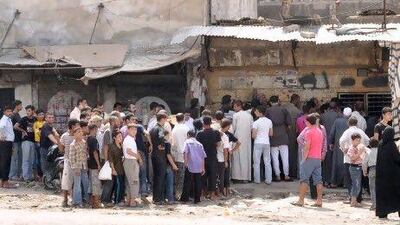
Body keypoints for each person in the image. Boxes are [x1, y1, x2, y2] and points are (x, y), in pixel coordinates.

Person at [292, 114, 324, 207]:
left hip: (309, 158)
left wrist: (304, 159)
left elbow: (307, 146)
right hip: (317, 158)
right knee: (318, 181)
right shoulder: (319, 131)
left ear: (308, 122)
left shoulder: (308, 132)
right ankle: (319, 200)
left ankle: (301, 200)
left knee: (304, 180)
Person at [339, 116, 369, 204]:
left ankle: (352, 197)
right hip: (360, 160)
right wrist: (362, 147)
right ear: (357, 123)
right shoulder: (361, 131)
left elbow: (341, 141)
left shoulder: (346, 132)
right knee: (358, 180)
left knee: (349, 180)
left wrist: (345, 150)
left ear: (348, 123)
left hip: (349, 159)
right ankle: (358, 198)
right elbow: (367, 141)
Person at [375, 127, 400, 219]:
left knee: (383, 195)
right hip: (392, 176)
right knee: (396, 194)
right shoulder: (391, 145)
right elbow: (397, 158)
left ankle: (382, 213)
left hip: (381, 176)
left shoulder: (381, 144)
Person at [266, 96, 291, 181]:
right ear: (278, 101)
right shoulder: (284, 109)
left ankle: (278, 176)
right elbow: (289, 124)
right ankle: (286, 175)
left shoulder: (268, 110)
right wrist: (285, 131)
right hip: (283, 135)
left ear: (270, 102)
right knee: (285, 157)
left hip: (273, 136)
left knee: (275, 158)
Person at [196, 116, 221, 200]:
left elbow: (197, 146)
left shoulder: (199, 133)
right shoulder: (216, 132)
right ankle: (212, 194)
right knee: (213, 175)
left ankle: (204, 193)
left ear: (203, 123)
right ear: (211, 123)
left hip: (202, 157)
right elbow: (218, 144)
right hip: (213, 156)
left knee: (203, 175)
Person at [180, 130, 206, 204]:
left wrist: (185, 163)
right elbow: (203, 156)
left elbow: (185, 152)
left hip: (190, 165)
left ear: (188, 135)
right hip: (198, 166)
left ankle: (185, 198)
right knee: (198, 182)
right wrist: (203, 168)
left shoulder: (187, 142)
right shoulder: (200, 144)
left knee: (187, 182)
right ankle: (197, 199)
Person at [59, 119, 80, 207]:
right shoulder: (64, 136)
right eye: (77, 125)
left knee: (77, 182)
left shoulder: (78, 135)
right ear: (72, 127)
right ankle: (65, 199)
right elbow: (61, 149)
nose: (79, 127)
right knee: (66, 181)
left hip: (78, 161)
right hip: (68, 161)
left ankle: (75, 199)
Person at [328, 107, 351, 187]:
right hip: (348, 146)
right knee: (346, 164)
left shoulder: (337, 121)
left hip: (338, 146)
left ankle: (334, 182)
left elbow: (332, 133)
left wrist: (330, 143)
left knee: (336, 164)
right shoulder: (351, 122)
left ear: (343, 113)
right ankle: (345, 183)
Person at [150, 113, 169, 205]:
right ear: (162, 119)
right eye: (165, 119)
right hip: (160, 155)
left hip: (153, 155)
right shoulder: (160, 128)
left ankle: (155, 197)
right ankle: (159, 198)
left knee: (156, 177)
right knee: (161, 177)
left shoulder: (153, 128)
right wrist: (163, 146)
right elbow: (162, 140)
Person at [231, 100, 253, 182]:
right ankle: (246, 177)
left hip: (237, 138)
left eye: (234, 106)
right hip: (247, 139)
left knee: (237, 158)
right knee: (246, 157)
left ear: (237, 106)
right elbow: (252, 128)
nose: (234, 108)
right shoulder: (249, 115)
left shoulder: (235, 115)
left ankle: (237, 177)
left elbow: (233, 128)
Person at [101, 116, 121, 204]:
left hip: (112, 158)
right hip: (107, 159)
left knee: (112, 181)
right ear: (113, 122)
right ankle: (105, 200)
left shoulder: (113, 131)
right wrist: (106, 161)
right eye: (117, 121)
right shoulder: (108, 132)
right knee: (108, 181)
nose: (119, 122)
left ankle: (109, 199)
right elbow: (106, 147)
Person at [320, 101, 341, 187]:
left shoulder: (322, 116)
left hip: (325, 141)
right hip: (335, 142)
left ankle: (325, 181)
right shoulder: (338, 116)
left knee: (326, 163)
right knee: (334, 162)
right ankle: (333, 181)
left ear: (328, 108)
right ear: (336, 108)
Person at [14, 105, 36, 182]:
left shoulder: (35, 119)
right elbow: (15, 126)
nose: (27, 112)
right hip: (26, 141)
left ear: (33, 111)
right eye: (27, 111)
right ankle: (25, 177)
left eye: (29, 110)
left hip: (33, 141)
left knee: (31, 160)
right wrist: (23, 131)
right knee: (26, 159)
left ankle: (29, 176)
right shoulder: (23, 119)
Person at [252, 105, 273, 184]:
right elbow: (271, 134)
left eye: (256, 111)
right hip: (266, 143)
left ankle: (257, 180)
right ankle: (268, 180)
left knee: (256, 162)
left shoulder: (256, 122)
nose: (255, 112)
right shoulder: (269, 121)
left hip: (258, 143)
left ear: (259, 112)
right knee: (267, 162)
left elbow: (253, 135)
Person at [171, 113, 190, 200]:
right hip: (184, 156)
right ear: (183, 119)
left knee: (176, 177)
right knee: (182, 177)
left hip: (175, 155)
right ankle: (180, 195)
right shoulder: (186, 128)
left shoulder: (174, 129)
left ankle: (175, 194)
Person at [69, 127, 89, 207]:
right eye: (78, 132)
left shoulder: (84, 142)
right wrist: (75, 168)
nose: (81, 133)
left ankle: (86, 200)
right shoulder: (73, 144)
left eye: (81, 131)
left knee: (86, 183)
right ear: (74, 134)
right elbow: (71, 158)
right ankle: (77, 202)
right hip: (77, 168)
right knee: (77, 185)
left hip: (84, 166)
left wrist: (86, 166)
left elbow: (85, 155)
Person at [123, 124, 142, 207]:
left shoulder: (131, 139)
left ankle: (129, 200)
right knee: (134, 182)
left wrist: (139, 158)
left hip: (131, 161)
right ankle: (132, 201)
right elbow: (128, 151)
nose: (134, 131)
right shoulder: (128, 139)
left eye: (135, 129)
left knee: (130, 182)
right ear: (128, 130)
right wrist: (137, 157)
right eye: (132, 129)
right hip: (130, 161)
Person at [346, 133, 366, 207]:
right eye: (357, 140)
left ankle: (355, 200)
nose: (358, 142)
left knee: (358, 185)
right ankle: (353, 201)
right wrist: (360, 152)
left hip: (359, 167)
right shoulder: (351, 148)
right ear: (352, 140)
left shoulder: (358, 147)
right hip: (354, 168)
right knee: (355, 185)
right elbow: (353, 158)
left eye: (359, 140)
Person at [285, 94, 302, 179]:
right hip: (293, 134)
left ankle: (284, 173)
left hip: (284, 134)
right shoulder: (297, 111)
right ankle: (292, 172)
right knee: (293, 154)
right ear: (295, 100)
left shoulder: (284, 107)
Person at [40, 113, 60, 184]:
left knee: (51, 165)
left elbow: (56, 134)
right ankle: (46, 183)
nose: (51, 119)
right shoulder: (45, 126)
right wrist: (58, 143)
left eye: (52, 117)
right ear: (45, 119)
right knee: (46, 166)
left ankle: (49, 182)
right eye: (49, 117)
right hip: (45, 149)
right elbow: (50, 136)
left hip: (51, 149)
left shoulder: (51, 126)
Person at [0, 105, 16, 188]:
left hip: (8, 143)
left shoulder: (8, 120)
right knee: (5, 162)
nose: (10, 113)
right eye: (8, 111)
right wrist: (1, 134)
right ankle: (4, 182)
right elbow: (1, 127)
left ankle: (3, 181)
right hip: (5, 143)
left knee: (6, 162)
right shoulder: (4, 119)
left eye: (10, 111)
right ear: (4, 112)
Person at [87, 124, 102, 208]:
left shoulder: (88, 139)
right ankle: (96, 203)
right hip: (94, 164)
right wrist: (98, 164)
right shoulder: (93, 139)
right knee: (96, 183)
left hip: (90, 163)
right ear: (94, 129)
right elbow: (95, 152)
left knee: (92, 183)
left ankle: (92, 202)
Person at [108, 131, 125, 206]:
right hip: (116, 169)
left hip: (123, 169)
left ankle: (121, 199)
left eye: (121, 136)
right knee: (117, 185)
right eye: (119, 136)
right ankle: (117, 201)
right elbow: (110, 159)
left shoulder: (122, 146)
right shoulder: (112, 146)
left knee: (122, 185)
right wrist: (113, 169)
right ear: (114, 138)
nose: (121, 138)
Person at [362, 139, 379, 210]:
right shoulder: (380, 151)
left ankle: (374, 205)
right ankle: (380, 204)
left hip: (372, 170)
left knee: (372, 189)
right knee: (379, 188)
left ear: (370, 145)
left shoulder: (368, 152)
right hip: (380, 170)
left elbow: (364, 163)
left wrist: (365, 171)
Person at [9, 100, 23, 181]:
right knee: (14, 158)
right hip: (14, 140)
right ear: (17, 106)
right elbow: (11, 127)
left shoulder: (17, 114)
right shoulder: (13, 115)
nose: (21, 107)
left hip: (18, 139)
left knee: (18, 158)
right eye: (20, 105)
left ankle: (16, 175)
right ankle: (12, 175)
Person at [217, 119, 231, 195]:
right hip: (221, 159)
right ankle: (221, 192)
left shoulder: (216, 132)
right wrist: (226, 161)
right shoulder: (225, 136)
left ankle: (216, 192)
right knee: (221, 176)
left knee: (215, 176)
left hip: (214, 157)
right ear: (227, 126)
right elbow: (226, 150)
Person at [33, 109, 45, 180]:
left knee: (44, 159)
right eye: (40, 115)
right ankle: (40, 175)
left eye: (42, 114)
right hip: (38, 142)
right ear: (37, 116)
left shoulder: (45, 123)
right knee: (39, 159)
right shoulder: (35, 123)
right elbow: (37, 132)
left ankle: (45, 174)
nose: (41, 116)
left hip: (45, 143)